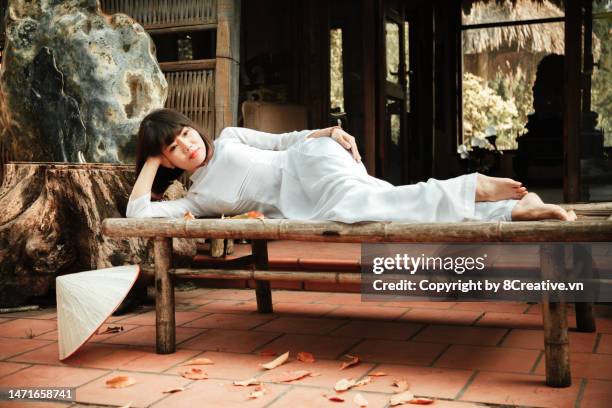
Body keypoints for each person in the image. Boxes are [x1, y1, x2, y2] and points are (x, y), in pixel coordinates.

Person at [127, 109, 576, 223]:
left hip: (311, 163)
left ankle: (475, 188)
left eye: (184, 132)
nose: (186, 145)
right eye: (171, 147)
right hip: (303, 206)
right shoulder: (199, 200)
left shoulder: (229, 137)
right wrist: (147, 160)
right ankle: (509, 209)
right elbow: (138, 214)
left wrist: (328, 133)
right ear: (165, 160)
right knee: (391, 208)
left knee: (375, 203)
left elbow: (285, 140)